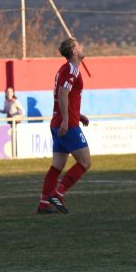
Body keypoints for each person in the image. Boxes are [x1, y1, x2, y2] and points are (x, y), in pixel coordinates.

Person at [37, 38, 91, 214]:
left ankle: (44, 203)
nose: (82, 47)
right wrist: (67, 120)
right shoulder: (71, 70)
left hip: (58, 122)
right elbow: (63, 93)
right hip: (66, 125)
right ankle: (57, 194)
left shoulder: (65, 69)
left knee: (57, 166)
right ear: (74, 51)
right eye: (79, 45)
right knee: (85, 162)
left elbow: (66, 96)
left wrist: (77, 114)